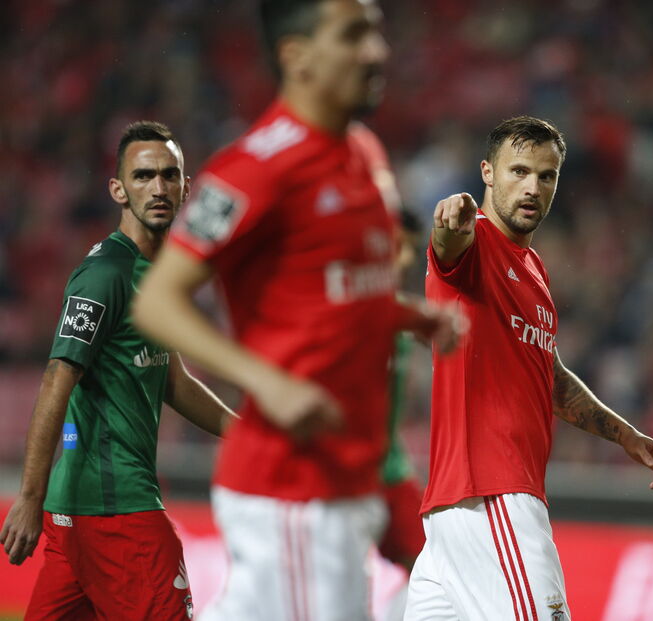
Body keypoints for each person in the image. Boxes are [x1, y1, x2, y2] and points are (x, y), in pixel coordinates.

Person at [131, 2, 460, 620]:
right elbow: (157, 300)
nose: (376, 51)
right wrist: (267, 382)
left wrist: (410, 316)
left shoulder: (364, 152)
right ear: (296, 56)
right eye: (353, 35)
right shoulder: (256, 167)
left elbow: (335, 291)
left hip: (349, 476)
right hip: (295, 485)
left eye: (378, 33)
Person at [404, 116, 653, 620]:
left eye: (546, 176)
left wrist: (625, 435)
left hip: (453, 514)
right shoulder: (477, 241)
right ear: (487, 172)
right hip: (493, 497)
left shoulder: (533, 268)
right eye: (519, 171)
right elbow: (447, 249)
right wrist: (448, 224)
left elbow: (547, 373)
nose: (533, 187)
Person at [0, 121, 236, 620]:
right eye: (144, 175)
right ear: (118, 189)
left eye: (169, 176)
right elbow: (55, 381)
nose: (158, 187)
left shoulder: (155, 276)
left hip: (81, 518)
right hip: (118, 514)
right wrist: (28, 497)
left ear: (186, 187)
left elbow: (173, 382)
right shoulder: (105, 274)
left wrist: (245, 434)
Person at [379, 208, 429, 621]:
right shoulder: (340, 305)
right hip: (336, 474)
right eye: (398, 246)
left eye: (411, 250)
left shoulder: (400, 313)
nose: (406, 259)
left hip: (388, 470)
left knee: (432, 572)